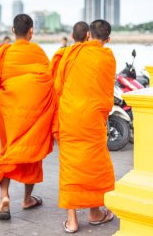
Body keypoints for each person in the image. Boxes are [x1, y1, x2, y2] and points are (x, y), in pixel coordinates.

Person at [0, 14, 56, 220]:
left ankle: (4, 198)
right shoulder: (38, 52)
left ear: (12, 30)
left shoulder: (3, 53)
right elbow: (48, 82)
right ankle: (27, 199)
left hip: (8, 110)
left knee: (7, 150)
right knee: (31, 152)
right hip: (33, 112)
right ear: (31, 31)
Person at [54, 20, 116, 233]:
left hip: (70, 116)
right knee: (94, 165)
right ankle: (95, 213)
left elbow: (58, 85)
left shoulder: (71, 53)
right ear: (107, 39)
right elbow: (107, 92)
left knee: (70, 166)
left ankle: (72, 221)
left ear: (88, 34)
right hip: (92, 119)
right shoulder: (107, 57)